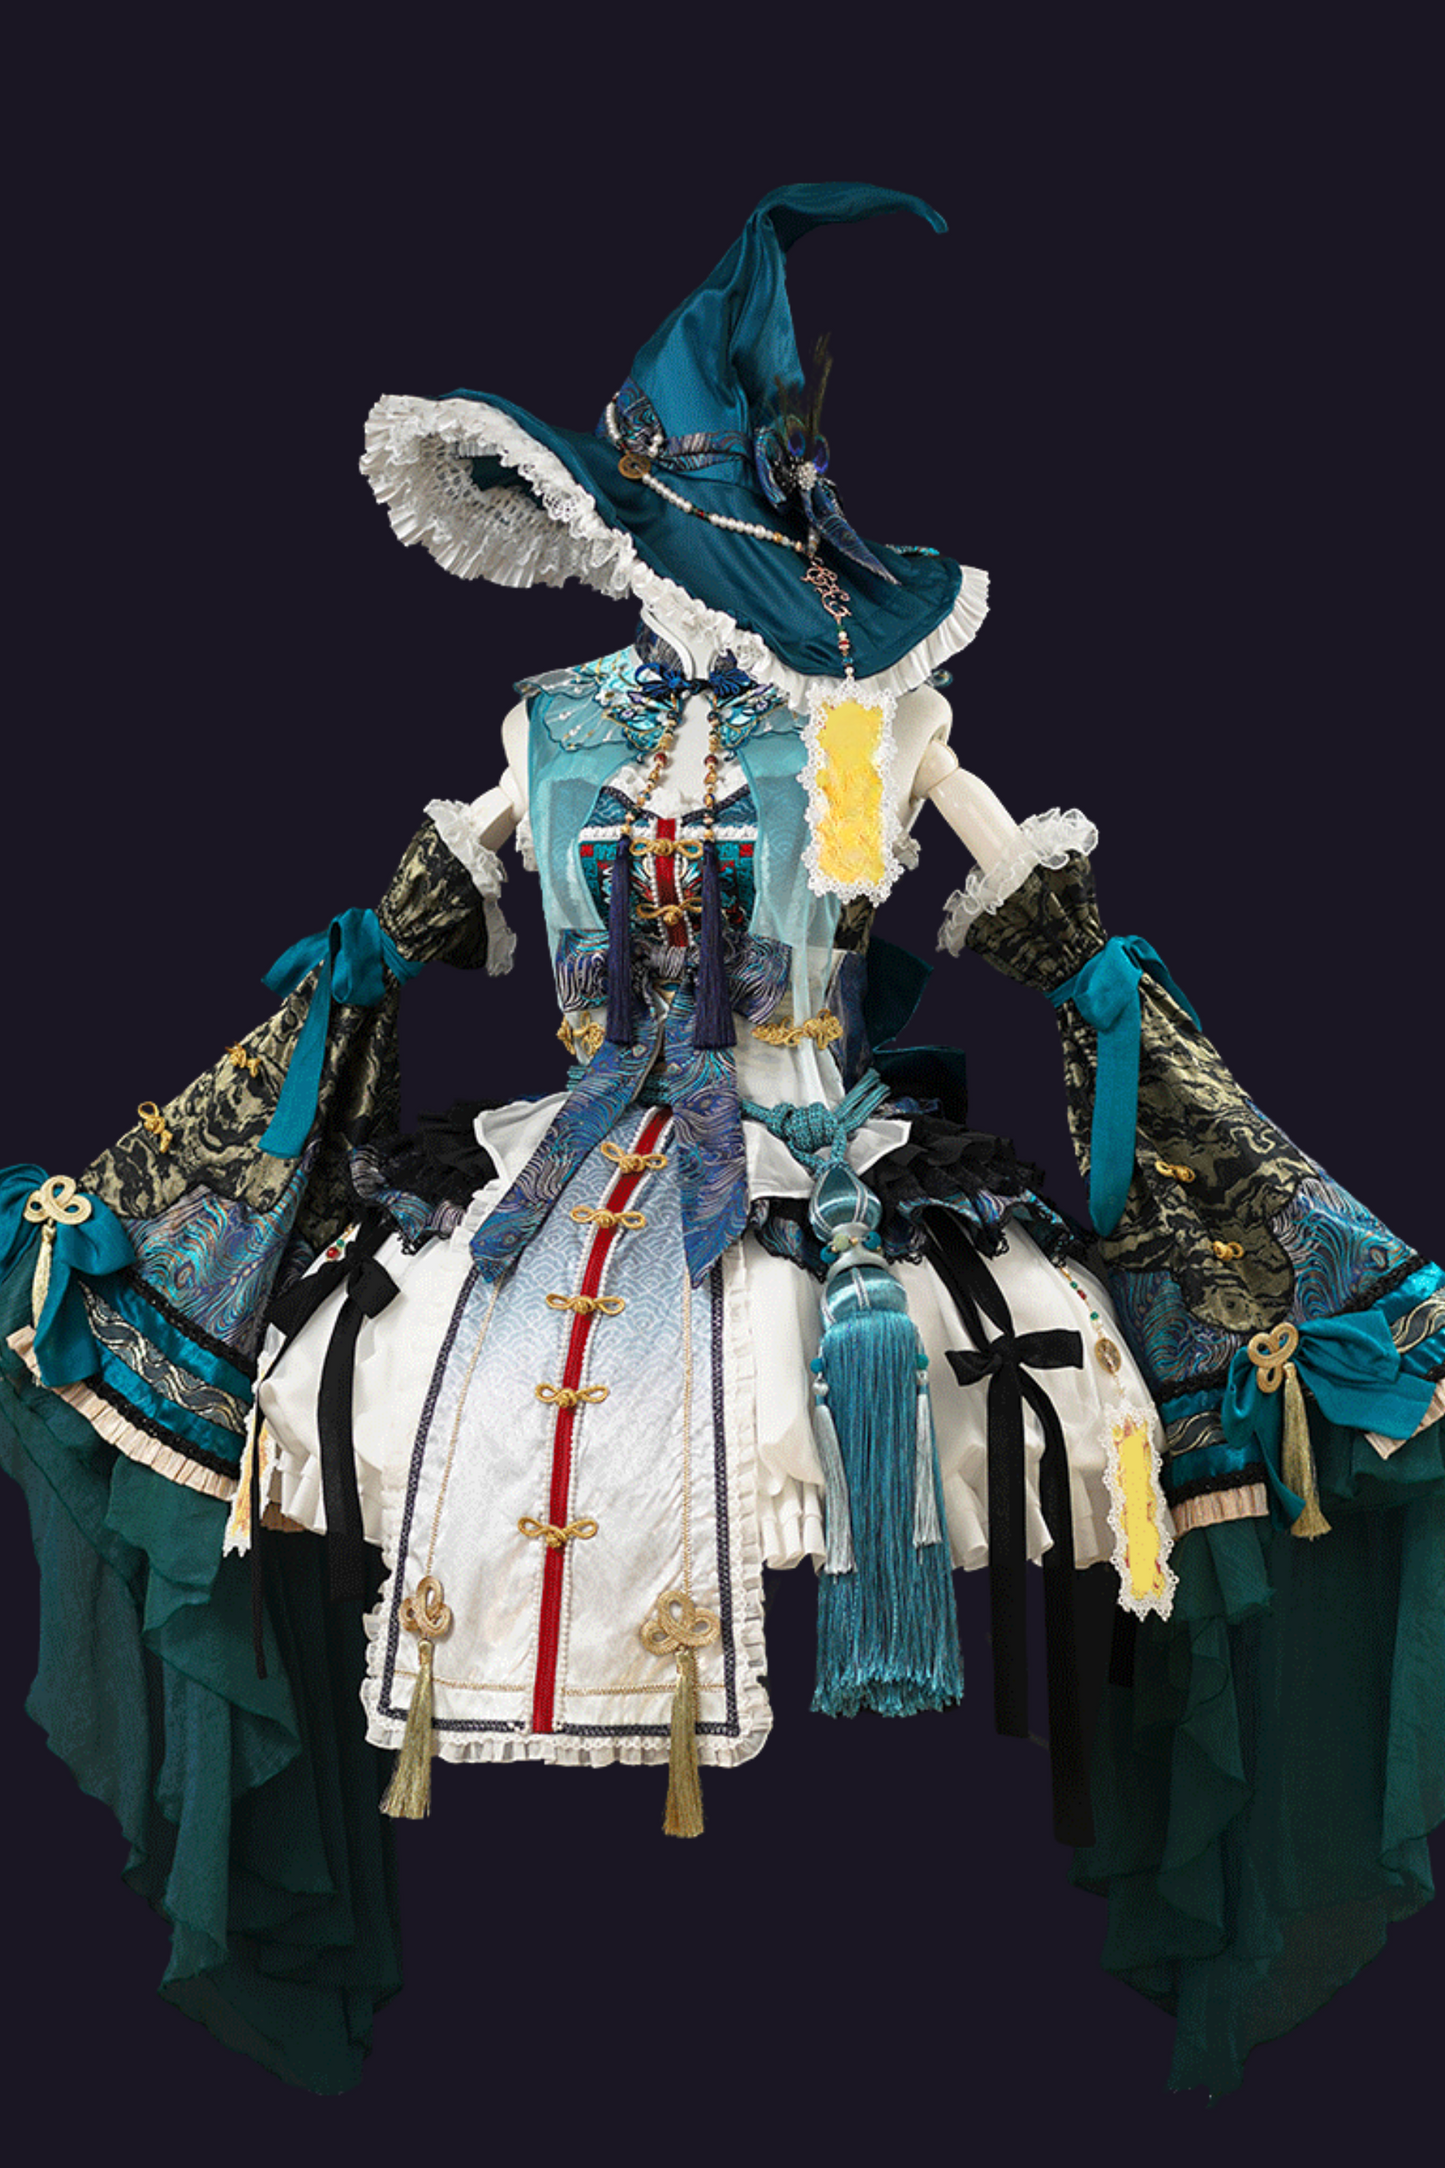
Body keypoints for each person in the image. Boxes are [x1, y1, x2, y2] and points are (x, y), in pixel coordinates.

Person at [2, 184, 1439, 2099]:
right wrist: (308, 1025)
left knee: (941, 1385)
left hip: (802, 1148)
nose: (655, 573)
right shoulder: (548, 722)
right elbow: (418, 906)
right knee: (370, 1375)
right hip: (565, 1148)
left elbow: (1027, 898)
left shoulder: (873, 722)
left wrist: (1111, 1001)